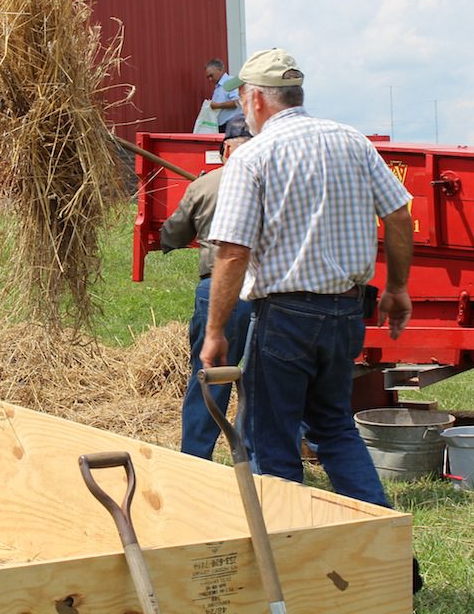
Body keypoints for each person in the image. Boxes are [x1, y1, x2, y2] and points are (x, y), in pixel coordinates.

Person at [201, 48, 421, 591]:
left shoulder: (253, 156)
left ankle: (290, 576)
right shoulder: (351, 141)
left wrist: (216, 332)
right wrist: (397, 287)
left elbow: (232, 252)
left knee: (272, 444)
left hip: (285, 315)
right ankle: (393, 567)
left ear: (255, 99)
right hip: (346, 309)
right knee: (336, 430)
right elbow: (399, 214)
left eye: (242, 100)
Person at [160, 115, 255, 459]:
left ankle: (195, 458)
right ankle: (258, 464)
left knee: (210, 375)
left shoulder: (205, 185)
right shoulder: (276, 184)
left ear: (225, 149)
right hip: (269, 291)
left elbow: (172, 234)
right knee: (264, 381)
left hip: (219, 289)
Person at [205, 59, 241, 134]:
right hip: (223, 126)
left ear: (220, 70)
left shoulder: (230, 82)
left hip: (233, 125)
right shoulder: (218, 87)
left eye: (211, 75)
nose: (210, 79)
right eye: (208, 77)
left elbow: (237, 102)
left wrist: (218, 105)